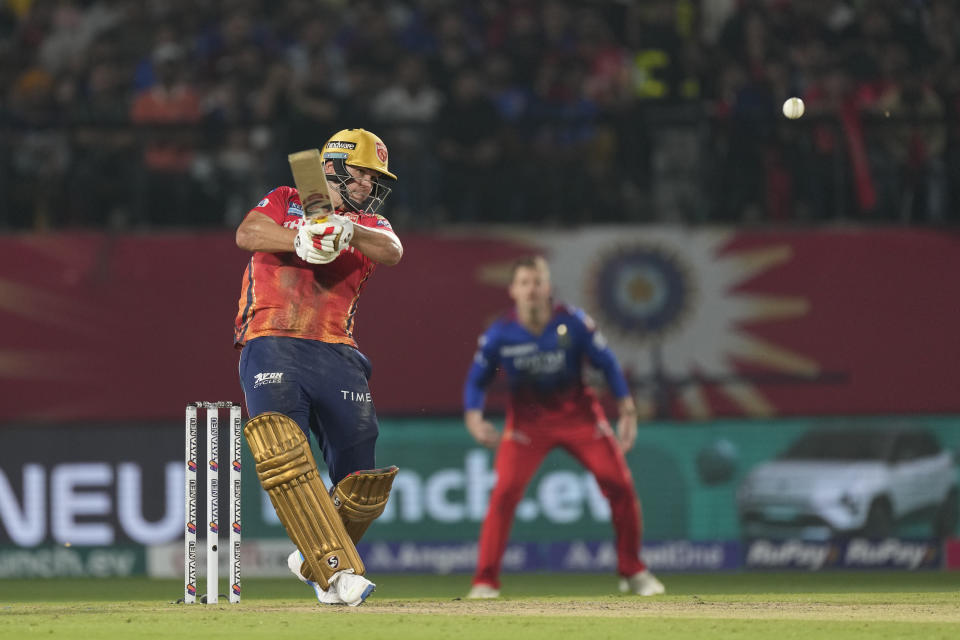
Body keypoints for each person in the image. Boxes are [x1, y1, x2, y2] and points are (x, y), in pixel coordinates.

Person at [234, 128, 402, 606]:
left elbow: (393, 252)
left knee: (362, 483)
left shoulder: (373, 225)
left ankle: (312, 561)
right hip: (271, 339)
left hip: (337, 351)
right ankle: (337, 571)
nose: (371, 186)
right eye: (365, 174)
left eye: (375, 178)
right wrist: (300, 238)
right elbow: (247, 233)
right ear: (334, 167)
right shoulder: (286, 198)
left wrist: (344, 230)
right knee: (283, 453)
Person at [463, 256, 664, 598]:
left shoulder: (574, 323)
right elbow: (476, 381)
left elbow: (609, 364)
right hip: (527, 427)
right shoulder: (500, 333)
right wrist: (474, 416)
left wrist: (627, 408)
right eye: (524, 282)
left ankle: (633, 570)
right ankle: (485, 580)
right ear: (513, 290)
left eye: (538, 282)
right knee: (504, 494)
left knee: (620, 485)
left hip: (581, 420)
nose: (532, 289)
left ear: (548, 287)